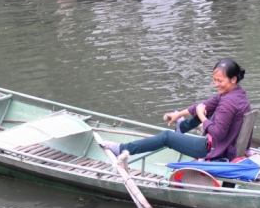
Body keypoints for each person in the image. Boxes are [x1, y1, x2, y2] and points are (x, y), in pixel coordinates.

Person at [101, 59, 251, 161]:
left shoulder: (228, 103)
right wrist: (180, 113)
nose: (216, 84)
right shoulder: (237, 94)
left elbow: (218, 133)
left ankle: (122, 149)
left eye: (220, 81)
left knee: (167, 137)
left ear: (233, 79)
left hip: (217, 150)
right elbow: (206, 104)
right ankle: (182, 126)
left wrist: (202, 117)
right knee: (205, 109)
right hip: (230, 145)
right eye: (214, 80)